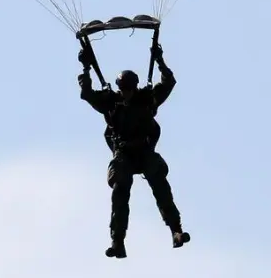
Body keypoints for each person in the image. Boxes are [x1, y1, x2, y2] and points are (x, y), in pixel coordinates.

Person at [78, 41, 190, 258]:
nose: (126, 94)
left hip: (144, 151)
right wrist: (86, 67)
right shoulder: (111, 102)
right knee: (120, 189)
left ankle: (176, 230)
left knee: (159, 182)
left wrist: (159, 60)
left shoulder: (147, 98)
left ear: (135, 87)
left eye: (129, 90)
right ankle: (117, 241)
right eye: (123, 90)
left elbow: (169, 82)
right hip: (124, 155)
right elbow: (88, 94)